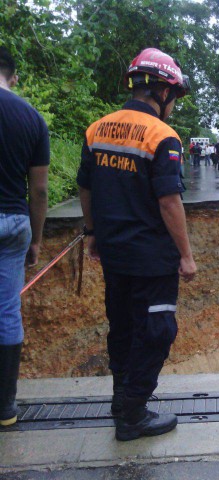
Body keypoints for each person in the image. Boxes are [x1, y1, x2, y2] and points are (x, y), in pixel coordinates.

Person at [76, 47, 197, 442]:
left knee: (123, 326)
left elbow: (86, 186)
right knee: (158, 330)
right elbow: (168, 200)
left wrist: (93, 232)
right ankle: (133, 414)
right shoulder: (163, 136)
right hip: (152, 260)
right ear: (162, 91)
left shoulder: (98, 129)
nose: (174, 105)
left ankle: (119, 399)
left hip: (114, 254)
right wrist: (186, 255)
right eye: (174, 97)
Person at [0, 47, 49, 427]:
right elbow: (40, 190)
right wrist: (35, 240)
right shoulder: (31, 117)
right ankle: (5, 409)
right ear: (12, 76)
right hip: (14, 222)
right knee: (6, 312)